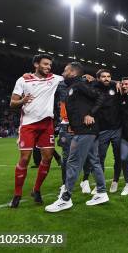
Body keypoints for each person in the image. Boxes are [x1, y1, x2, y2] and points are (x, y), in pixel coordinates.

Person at [45, 62, 108, 212]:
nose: (63, 72)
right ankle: (101, 192)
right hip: (85, 130)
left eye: (66, 70)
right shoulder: (73, 87)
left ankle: (65, 199)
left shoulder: (79, 85)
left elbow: (100, 96)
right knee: (94, 161)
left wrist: (91, 114)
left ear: (73, 72)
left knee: (73, 162)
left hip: (85, 130)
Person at [9, 54, 63, 208]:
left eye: (50, 65)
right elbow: (12, 103)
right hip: (28, 125)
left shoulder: (54, 78)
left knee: (47, 158)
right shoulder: (23, 80)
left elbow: (71, 76)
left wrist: (86, 76)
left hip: (47, 124)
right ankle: (17, 194)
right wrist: (22, 101)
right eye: (45, 64)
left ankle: (36, 190)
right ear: (36, 64)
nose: (48, 67)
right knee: (25, 159)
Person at [81, 69, 122, 194]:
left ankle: (115, 181)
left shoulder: (115, 86)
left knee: (118, 157)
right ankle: (100, 183)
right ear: (97, 78)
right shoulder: (92, 87)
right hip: (102, 129)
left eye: (109, 76)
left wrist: (117, 82)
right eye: (103, 77)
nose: (106, 79)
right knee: (100, 158)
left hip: (117, 129)